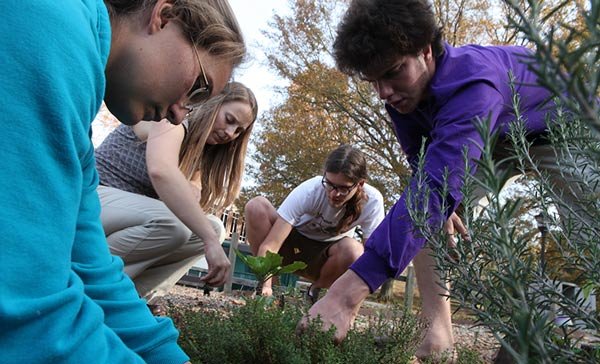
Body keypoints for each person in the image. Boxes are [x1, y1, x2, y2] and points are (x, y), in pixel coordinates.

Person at [299, 0, 586, 360]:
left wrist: (346, 294)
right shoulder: (402, 96)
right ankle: (436, 335)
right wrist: (443, 205)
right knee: (426, 216)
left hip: (560, 126)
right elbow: (424, 173)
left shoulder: (474, 83)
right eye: (374, 81)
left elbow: (436, 186)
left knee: (587, 230)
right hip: (493, 136)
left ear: (426, 50)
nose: (384, 92)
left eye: (393, 72)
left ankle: (570, 329)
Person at [0, 0, 245, 363]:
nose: (180, 114)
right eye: (197, 88)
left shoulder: (80, 103)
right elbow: (25, 312)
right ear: (164, 17)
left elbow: (90, 266)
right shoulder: (56, 28)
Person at [95, 82, 258, 309]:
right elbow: (161, 171)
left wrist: (207, 230)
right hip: (92, 197)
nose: (230, 134)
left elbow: (190, 199)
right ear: (212, 104)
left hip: (122, 214)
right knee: (176, 225)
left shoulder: (198, 153)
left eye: (239, 130)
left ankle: (132, 297)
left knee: (213, 228)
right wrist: (210, 243)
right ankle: (90, 277)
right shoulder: (171, 118)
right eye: (229, 120)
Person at [245, 144, 385, 299]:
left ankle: (315, 296)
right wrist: (265, 285)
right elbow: (271, 244)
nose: (334, 194)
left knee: (354, 250)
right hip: (290, 249)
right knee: (256, 206)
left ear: (360, 184)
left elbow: (370, 258)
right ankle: (273, 295)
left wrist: (350, 302)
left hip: (327, 261)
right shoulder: (310, 190)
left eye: (343, 188)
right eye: (330, 184)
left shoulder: (372, 201)